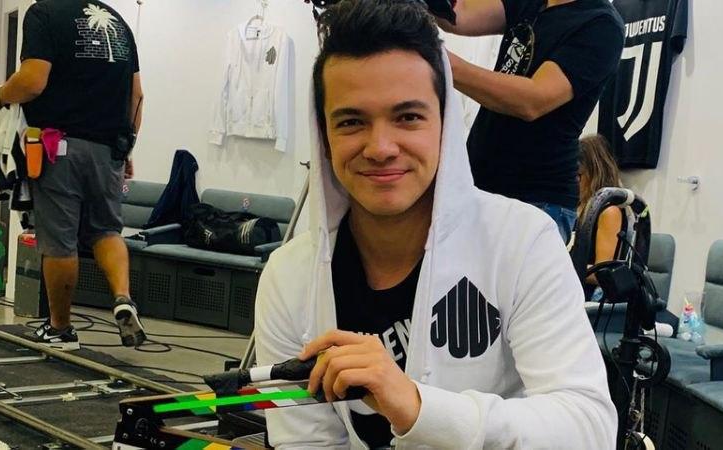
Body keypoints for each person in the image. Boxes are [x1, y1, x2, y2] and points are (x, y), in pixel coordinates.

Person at [254, 1, 616, 448]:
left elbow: (589, 429)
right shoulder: (288, 278)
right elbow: (306, 442)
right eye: (351, 121)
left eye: (408, 117)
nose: (381, 147)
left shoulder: (524, 246)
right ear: (323, 137)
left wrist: (419, 408)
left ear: (445, 124)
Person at [0, 0, 146, 350]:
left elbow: (33, 81)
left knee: (59, 241)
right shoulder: (118, 22)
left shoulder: (44, 13)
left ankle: (60, 328)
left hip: (59, 148)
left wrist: (1, 94)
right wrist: (126, 148)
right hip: (109, 148)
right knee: (106, 230)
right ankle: (123, 297)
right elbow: (137, 96)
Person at [436, 0, 625, 242]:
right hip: (478, 189)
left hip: (536, 200)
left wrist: (442, 62)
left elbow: (533, 100)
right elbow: (456, 14)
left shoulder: (601, 25)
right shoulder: (531, 3)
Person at [576, 134, 624, 298]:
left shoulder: (609, 212)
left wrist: (562, 268)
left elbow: (601, 274)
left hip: (591, 299)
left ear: (594, 173)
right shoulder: (577, 208)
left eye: (578, 175)